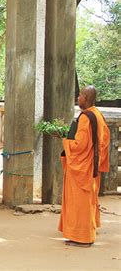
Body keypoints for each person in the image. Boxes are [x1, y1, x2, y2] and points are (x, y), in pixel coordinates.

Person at [59, 85, 110, 247]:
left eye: (80, 95)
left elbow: (80, 144)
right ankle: (85, 232)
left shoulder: (86, 117)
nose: (78, 98)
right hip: (91, 165)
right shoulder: (98, 115)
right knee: (88, 201)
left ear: (86, 98)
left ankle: (83, 237)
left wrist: (66, 142)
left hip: (81, 168)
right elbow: (105, 139)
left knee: (80, 202)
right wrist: (97, 158)